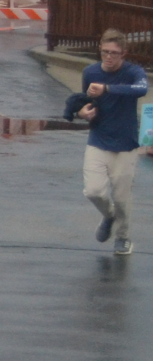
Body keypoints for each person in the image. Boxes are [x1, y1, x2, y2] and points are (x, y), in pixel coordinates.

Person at [65, 28, 148, 255]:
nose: (109, 57)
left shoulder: (133, 72)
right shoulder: (90, 72)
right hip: (98, 139)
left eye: (114, 53)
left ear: (123, 54)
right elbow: (85, 101)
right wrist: (83, 112)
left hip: (125, 144)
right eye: (105, 52)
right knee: (93, 191)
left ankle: (123, 238)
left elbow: (142, 89)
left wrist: (108, 88)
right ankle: (109, 216)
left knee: (122, 198)